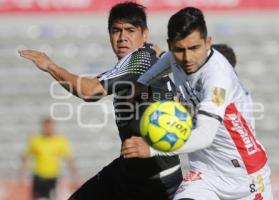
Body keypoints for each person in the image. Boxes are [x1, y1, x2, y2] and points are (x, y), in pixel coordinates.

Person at [19, 2, 182, 200]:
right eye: (116, 31)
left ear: (144, 34)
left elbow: (89, 91)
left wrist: (50, 65)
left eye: (130, 30)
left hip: (156, 179)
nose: (122, 38)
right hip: (129, 171)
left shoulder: (140, 60)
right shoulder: (147, 55)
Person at [122, 7, 273, 200]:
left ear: (208, 42)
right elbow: (168, 60)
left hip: (245, 176)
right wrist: (142, 83)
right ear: (170, 45)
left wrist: (151, 149)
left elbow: (205, 135)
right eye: (179, 49)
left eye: (194, 48)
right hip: (205, 173)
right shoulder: (177, 56)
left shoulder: (218, 78)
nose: (187, 58)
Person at [19, 117, 77, 200]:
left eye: (50, 126)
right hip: (39, 176)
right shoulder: (35, 140)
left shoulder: (60, 141)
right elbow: (26, 158)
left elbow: (69, 159)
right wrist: (21, 175)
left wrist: (74, 176)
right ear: (43, 127)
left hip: (53, 177)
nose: (48, 129)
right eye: (46, 126)